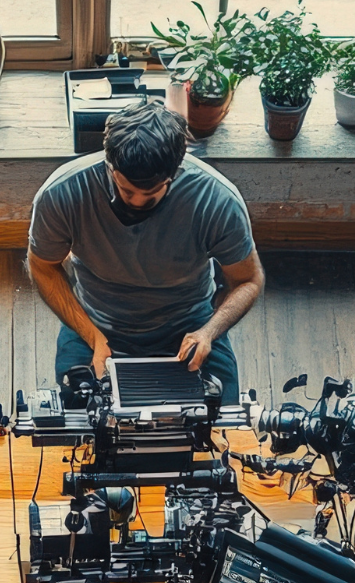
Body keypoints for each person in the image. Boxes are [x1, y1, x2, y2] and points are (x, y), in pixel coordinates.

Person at [27, 102, 265, 403]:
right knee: (79, 423)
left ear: (175, 171)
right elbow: (43, 267)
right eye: (127, 191)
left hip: (189, 327)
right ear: (109, 165)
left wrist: (208, 331)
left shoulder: (217, 200)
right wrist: (92, 336)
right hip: (96, 323)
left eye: (151, 195)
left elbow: (248, 280)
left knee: (222, 424)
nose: (137, 203)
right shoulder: (62, 193)